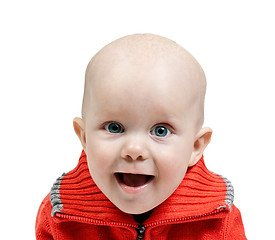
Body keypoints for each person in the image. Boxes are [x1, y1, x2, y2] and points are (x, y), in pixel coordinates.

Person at [35, 33, 246, 239]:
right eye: (114, 127)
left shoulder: (219, 223)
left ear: (195, 146)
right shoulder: (60, 217)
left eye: (160, 131)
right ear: (84, 137)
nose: (134, 150)